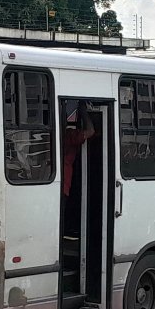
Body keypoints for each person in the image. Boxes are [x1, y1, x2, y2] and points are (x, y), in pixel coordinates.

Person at [63, 100, 94, 238]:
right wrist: (83, 112)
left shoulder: (60, 135)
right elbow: (91, 131)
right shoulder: (69, 135)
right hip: (64, 182)